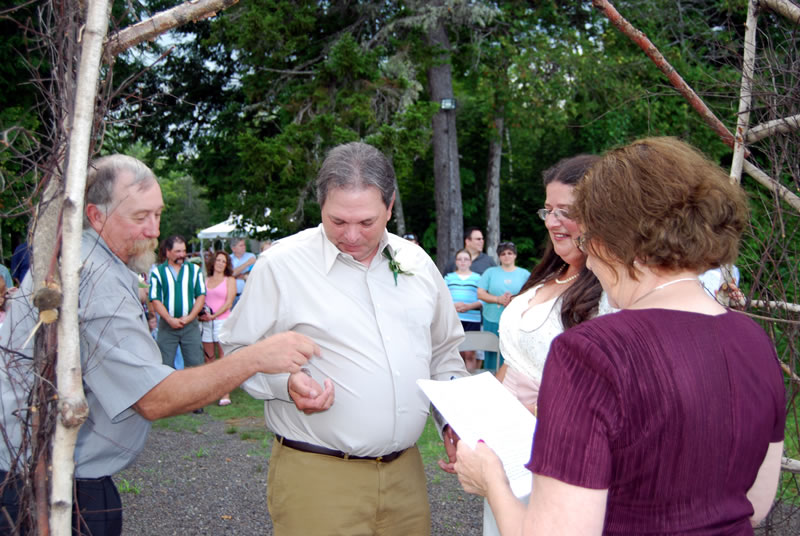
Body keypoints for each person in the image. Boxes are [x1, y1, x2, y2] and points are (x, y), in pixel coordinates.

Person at [455, 137, 786, 535]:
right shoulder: (753, 340)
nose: (590, 258)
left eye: (589, 238)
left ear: (615, 238)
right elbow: (756, 503)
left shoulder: (590, 352)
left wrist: (490, 479)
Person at [0, 154, 319, 536]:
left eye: (158, 214)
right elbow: (154, 399)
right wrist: (254, 357)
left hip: (41, 470)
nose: (154, 230)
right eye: (140, 217)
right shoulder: (95, 276)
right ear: (96, 215)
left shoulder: (79, 258)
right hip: (47, 486)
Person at [221, 141, 468, 536]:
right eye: (337, 221)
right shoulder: (280, 265)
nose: (351, 235)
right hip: (318, 477)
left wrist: (452, 420)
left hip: (406, 476)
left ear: (390, 206)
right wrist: (285, 383)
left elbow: (443, 353)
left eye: (367, 222)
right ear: (320, 205)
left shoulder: (417, 264)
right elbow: (237, 352)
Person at [483, 155, 616, 536]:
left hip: (561, 447)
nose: (552, 222)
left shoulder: (612, 290)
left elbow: (606, 389)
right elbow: (514, 360)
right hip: (507, 442)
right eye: (548, 210)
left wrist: (528, 415)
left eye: (566, 212)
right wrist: (478, 420)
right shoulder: (548, 274)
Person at [149, 235, 207, 370]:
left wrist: (190, 317)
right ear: (168, 252)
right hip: (167, 325)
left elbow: (201, 296)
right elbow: (155, 299)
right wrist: (169, 319)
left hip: (190, 324)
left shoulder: (194, 270)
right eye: (178, 251)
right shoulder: (158, 272)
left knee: (196, 363)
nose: (182, 255)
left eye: (184, 251)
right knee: (164, 364)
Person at [476, 242, 530, 371]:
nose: (506, 256)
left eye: (510, 253)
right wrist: (497, 299)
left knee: (513, 352)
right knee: (491, 351)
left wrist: (514, 299)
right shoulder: (490, 272)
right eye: (503, 254)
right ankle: (491, 377)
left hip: (516, 320)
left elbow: (531, 294)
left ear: (515, 255)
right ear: (499, 256)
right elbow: (480, 293)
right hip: (492, 318)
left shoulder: (524, 274)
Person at [199, 250, 236, 406]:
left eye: (224, 261)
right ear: (213, 262)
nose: (220, 263)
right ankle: (211, 390)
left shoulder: (229, 280)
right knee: (209, 357)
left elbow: (229, 302)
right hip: (206, 322)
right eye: (218, 260)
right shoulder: (205, 280)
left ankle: (225, 392)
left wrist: (214, 316)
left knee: (223, 357)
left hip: (222, 321)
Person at [444, 248, 482, 371]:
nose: (463, 262)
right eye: (459, 259)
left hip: (472, 320)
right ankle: (458, 379)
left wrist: (469, 306)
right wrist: (453, 306)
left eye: (466, 259)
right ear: (456, 262)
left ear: (470, 262)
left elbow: (483, 299)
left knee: (470, 354)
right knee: (457, 354)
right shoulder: (449, 277)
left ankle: (470, 378)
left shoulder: (478, 278)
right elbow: (442, 297)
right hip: (454, 319)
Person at [230, 238, 256, 305]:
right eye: (241, 245)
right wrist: (247, 263)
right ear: (233, 249)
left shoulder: (251, 256)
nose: (244, 247)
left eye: (244, 245)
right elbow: (231, 273)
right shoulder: (229, 259)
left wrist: (239, 275)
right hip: (232, 296)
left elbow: (253, 274)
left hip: (247, 295)